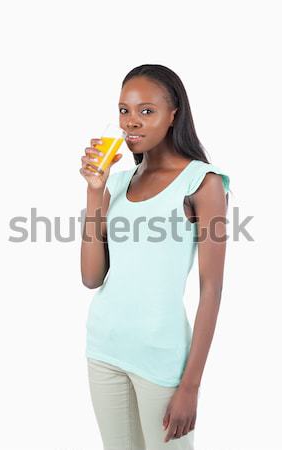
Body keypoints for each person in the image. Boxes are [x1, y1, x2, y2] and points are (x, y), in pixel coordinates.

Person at [80, 64, 230, 450]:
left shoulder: (203, 183)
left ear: (173, 114)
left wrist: (191, 386)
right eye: (124, 110)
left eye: (147, 111)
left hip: (160, 360)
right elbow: (92, 277)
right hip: (104, 349)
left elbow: (211, 290)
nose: (132, 122)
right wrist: (94, 192)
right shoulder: (115, 181)